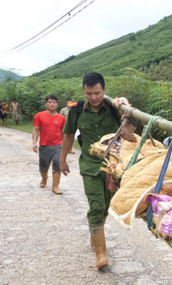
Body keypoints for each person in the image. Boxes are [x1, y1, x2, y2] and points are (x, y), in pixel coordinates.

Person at [60, 72, 129, 269]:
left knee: (107, 205)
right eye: (89, 93)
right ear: (84, 92)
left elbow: (130, 128)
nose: (93, 97)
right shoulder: (77, 110)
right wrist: (62, 159)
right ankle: (101, 254)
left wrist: (126, 106)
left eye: (97, 93)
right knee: (97, 206)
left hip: (113, 167)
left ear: (104, 90)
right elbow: (68, 135)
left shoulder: (114, 108)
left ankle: (95, 232)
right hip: (90, 165)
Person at [33, 95, 66, 195]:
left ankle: (55, 186)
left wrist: (65, 146)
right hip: (44, 145)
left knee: (57, 163)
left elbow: (63, 133)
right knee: (43, 165)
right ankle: (44, 178)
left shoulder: (62, 118)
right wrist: (34, 142)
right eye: (50, 102)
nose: (52, 104)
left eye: (54, 102)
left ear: (57, 104)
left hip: (57, 145)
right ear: (46, 104)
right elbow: (35, 130)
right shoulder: (39, 116)